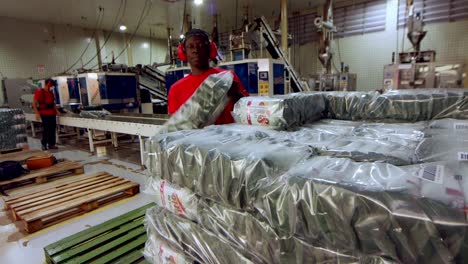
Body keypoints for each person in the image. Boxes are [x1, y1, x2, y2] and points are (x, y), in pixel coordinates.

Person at [167, 29, 249, 124]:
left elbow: (247, 110)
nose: (196, 50)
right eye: (191, 46)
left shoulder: (227, 78)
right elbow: (176, 125)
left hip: (229, 137)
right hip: (195, 138)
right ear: (184, 52)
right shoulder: (176, 89)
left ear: (210, 50)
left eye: (201, 45)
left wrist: (236, 95)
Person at [32, 79, 60, 150]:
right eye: (52, 85)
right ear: (48, 84)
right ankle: (44, 144)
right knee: (46, 129)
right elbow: (34, 103)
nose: (52, 87)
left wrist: (56, 110)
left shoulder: (51, 93)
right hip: (44, 113)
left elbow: (53, 103)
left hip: (52, 113)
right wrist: (37, 113)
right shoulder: (39, 92)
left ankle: (52, 144)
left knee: (52, 129)